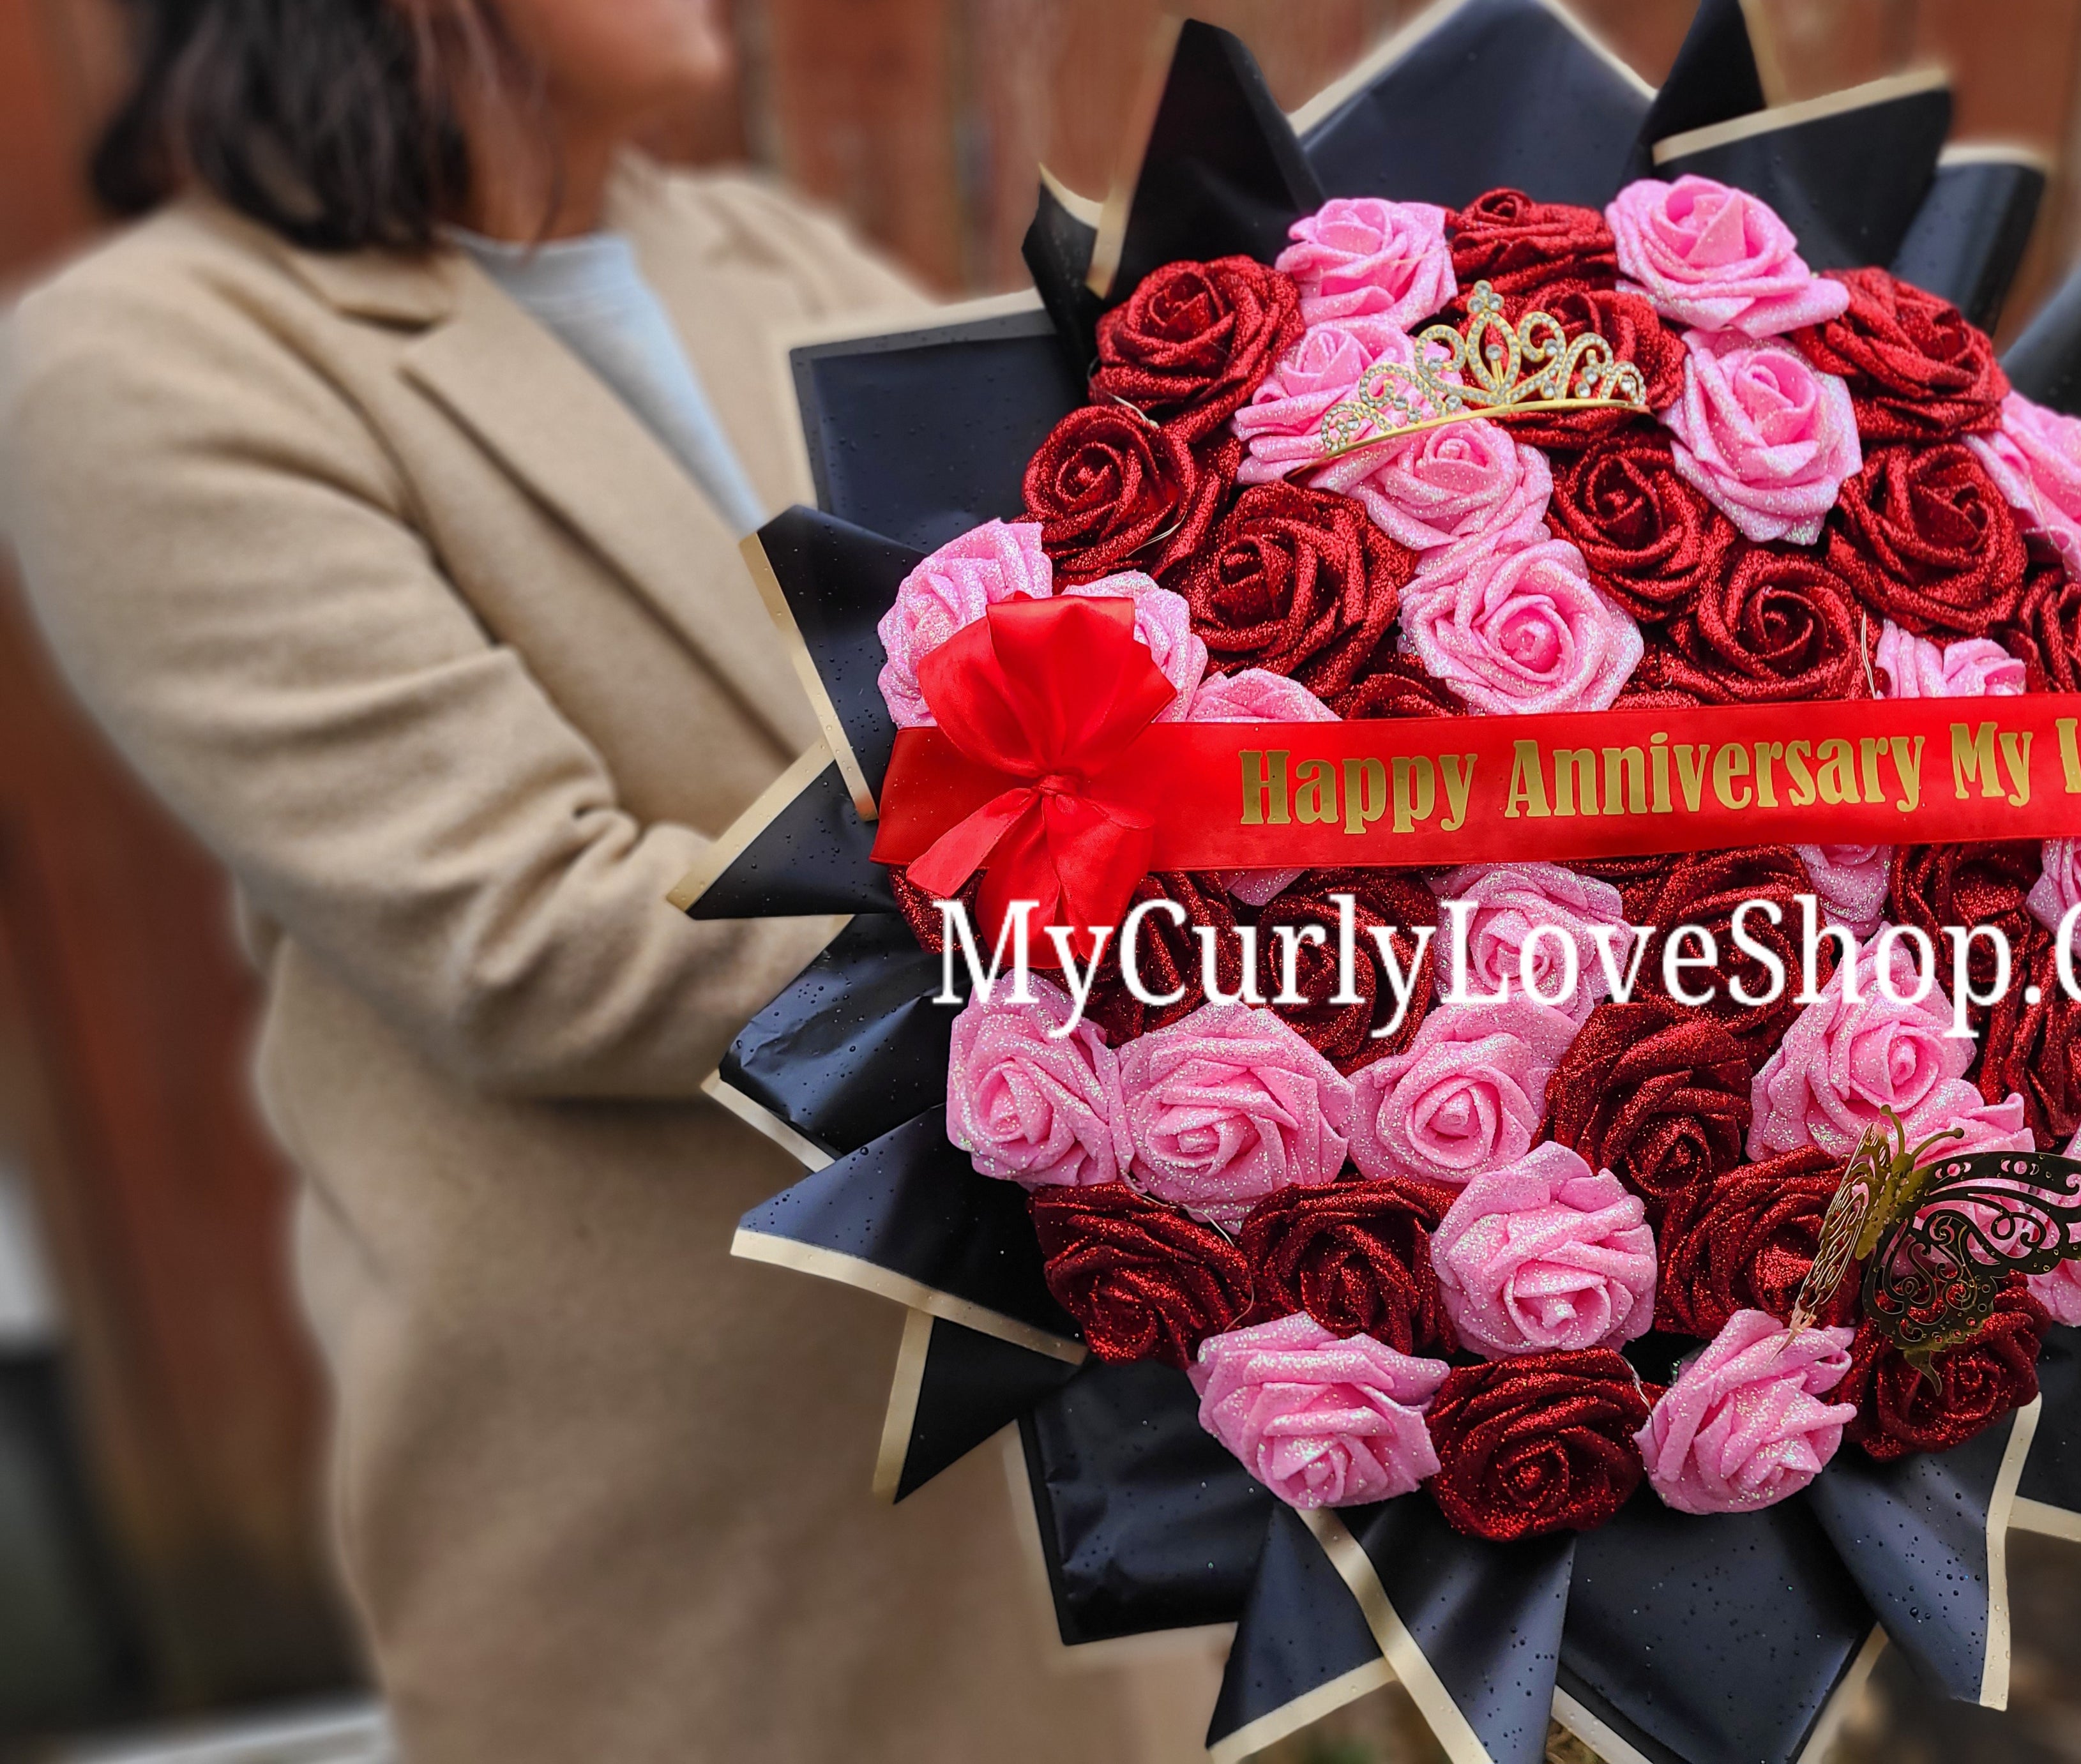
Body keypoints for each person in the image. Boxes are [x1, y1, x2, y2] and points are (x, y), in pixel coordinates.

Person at [1, 3, 1217, 1758]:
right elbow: (537, 940)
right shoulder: (150, 366)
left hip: (1041, 1452)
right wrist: (1186, 883)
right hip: (674, 1521)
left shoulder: (767, 255)